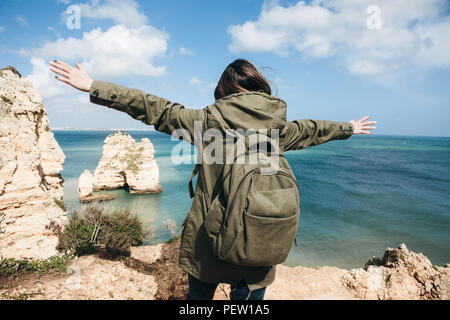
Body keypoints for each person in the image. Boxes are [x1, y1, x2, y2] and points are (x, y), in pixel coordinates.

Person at [49, 58, 376, 300]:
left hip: (210, 245)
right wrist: (348, 127)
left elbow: (155, 108)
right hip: (261, 242)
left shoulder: (208, 122)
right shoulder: (277, 128)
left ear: (224, 90)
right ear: (260, 88)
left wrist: (94, 86)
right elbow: (312, 130)